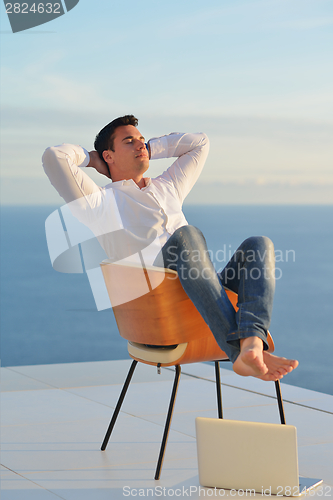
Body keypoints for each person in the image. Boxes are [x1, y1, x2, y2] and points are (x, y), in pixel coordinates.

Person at [42, 114, 298, 382]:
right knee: (186, 236)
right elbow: (54, 156)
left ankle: (251, 345)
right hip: (162, 313)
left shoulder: (168, 186)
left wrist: (151, 148)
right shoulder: (98, 203)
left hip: (203, 299)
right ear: (109, 156)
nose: (140, 145)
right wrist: (91, 159)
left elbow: (200, 143)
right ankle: (238, 350)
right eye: (129, 142)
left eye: (141, 140)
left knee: (259, 245)